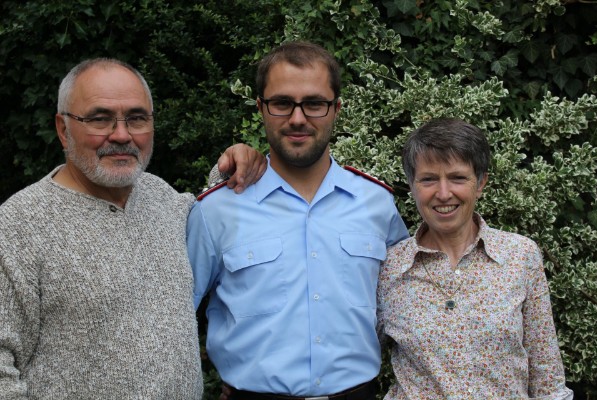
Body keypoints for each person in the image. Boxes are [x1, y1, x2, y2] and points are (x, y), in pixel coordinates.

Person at [0, 58, 265, 399]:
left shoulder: (161, 198)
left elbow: (209, 217)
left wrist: (237, 163)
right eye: (100, 119)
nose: (122, 135)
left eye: (137, 118)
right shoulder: (18, 226)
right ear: (63, 129)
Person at [186, 41, 409, 400]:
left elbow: (407, 306)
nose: (298, 119)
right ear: (261, 107)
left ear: (336, 109)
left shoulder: (376, 204)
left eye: (315, 103)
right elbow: (175, 315)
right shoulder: (217, 210)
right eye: (282, 103)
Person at [377, 118, 574, 399]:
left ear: (480, 183)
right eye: (428, 179)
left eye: (458, 178)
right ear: (412, 185)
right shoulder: (389, 267)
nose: (443, 193)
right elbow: (356, 356)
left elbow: (548, 379)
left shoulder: (520, 256)